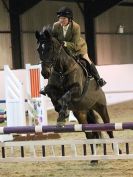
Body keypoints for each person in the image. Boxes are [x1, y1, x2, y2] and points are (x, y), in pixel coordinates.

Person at [52, 6, 106, 87]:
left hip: (78, 47)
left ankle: (98, 79)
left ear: (69, 19)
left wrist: (64, 43)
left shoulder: (76, 27)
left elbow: (74, 44)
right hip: (63, 48)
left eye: (64, 18)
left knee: (86, 59)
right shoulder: (56, 26)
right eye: (60, 18)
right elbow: (53, 38)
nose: (61, 20)